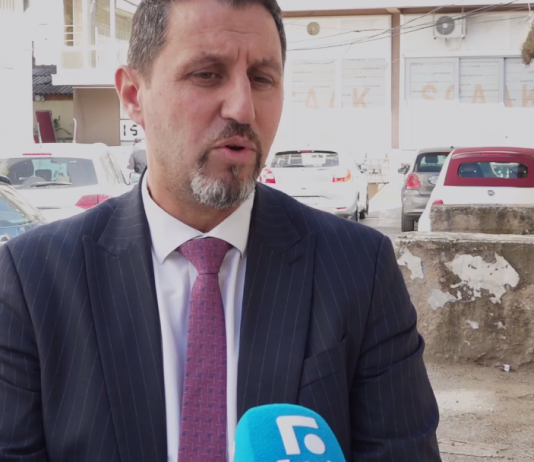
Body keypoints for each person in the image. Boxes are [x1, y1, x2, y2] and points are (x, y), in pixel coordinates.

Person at [0, 0, 441, 461]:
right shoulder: (33, 280)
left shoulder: (358, 269)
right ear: (133, 95)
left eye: (262, 78)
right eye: (207, 74)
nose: (243, 108)